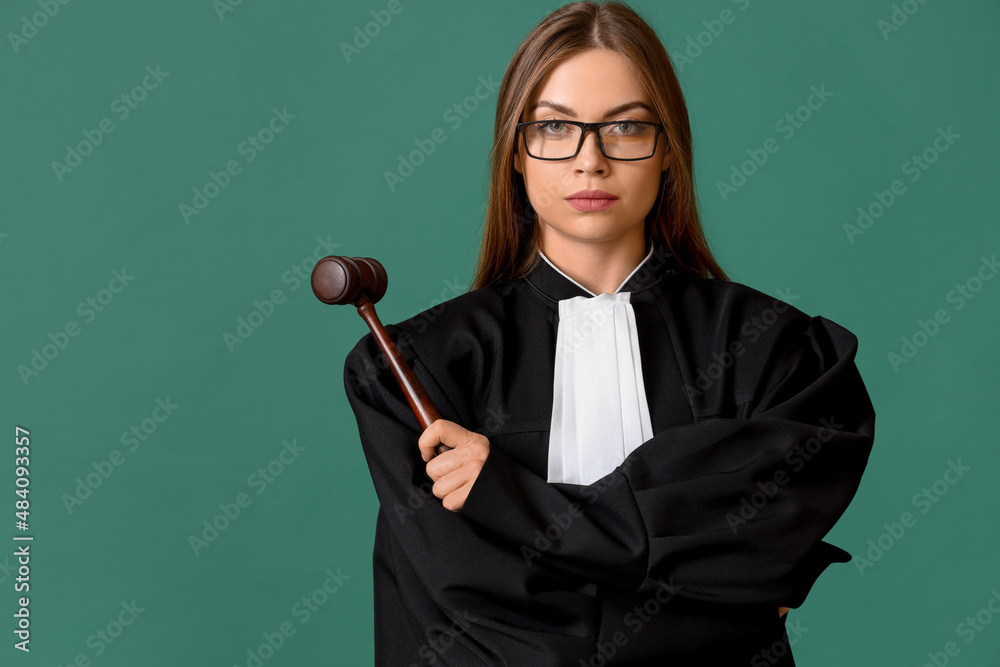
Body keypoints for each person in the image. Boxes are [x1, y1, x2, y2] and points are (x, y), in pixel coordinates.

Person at [342, 2, 876, 664]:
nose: (589, 160)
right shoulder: (416, 368)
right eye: (555, 127)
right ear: (515, 151)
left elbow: (766, 547)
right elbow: (466, 614)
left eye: (625, 127)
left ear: (668, 151)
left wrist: (508, 500)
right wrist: (706, 598)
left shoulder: (776, 351)